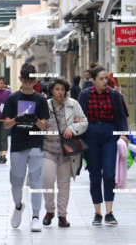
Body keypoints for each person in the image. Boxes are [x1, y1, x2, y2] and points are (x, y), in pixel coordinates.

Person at [78, 65, 128, 225]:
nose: (105, 81)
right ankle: (97, 213)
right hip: (90, 135)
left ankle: (109, 212)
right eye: (101, 78)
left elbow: (121, 116)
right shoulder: (85, 95)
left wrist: (123, 133)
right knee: (94, 176)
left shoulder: (113, 94)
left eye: (106, 78)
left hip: (109, 135)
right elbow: (78, 116)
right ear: (93, 80)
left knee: (109, 174)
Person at [3, 63, 49, 232]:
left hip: (36, 143)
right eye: (25, 80)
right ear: (20, 79)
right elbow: (6, 125)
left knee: (37, 180)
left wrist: (34, 119)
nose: (28, 84)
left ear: (35, 80)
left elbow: (44, 126)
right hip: (18, 144)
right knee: (16, 180)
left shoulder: (41, 99)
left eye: (31, 80)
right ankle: (17, 206)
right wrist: (17, 119)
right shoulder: (12, 98)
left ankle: (36, 216)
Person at [42, 77, 88, 228]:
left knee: (64, 184)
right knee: (47, 180)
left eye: (62, 89)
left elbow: (84, 122)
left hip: (66, 151)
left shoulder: (73, 104)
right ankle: (49, 210)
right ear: (51, 91)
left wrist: (72, 129)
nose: (60, 92)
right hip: (47, 148)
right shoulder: (45, 105)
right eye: (57, 89)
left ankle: (62, 215)